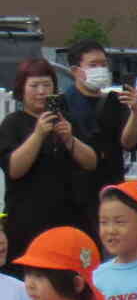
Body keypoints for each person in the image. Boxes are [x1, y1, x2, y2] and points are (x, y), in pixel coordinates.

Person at [1, 59, 99, 261]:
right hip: (26, 222)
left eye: (46, 85)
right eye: (34, 86)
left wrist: (69, 139)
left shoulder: (67, 121)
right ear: (22, 89)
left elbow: (91, 162)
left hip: (69, 218)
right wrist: (38, 134)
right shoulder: (13, 124)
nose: (41, 91)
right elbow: (14, 169)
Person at [59, 41, 137, 201]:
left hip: (111, 186)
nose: (100, 69)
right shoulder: (63, 103)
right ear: (76, 71)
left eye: (103, 64)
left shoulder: (115, 101)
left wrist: (135, 112)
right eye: (93, 65)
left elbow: (129, 143)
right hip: (74, 191)